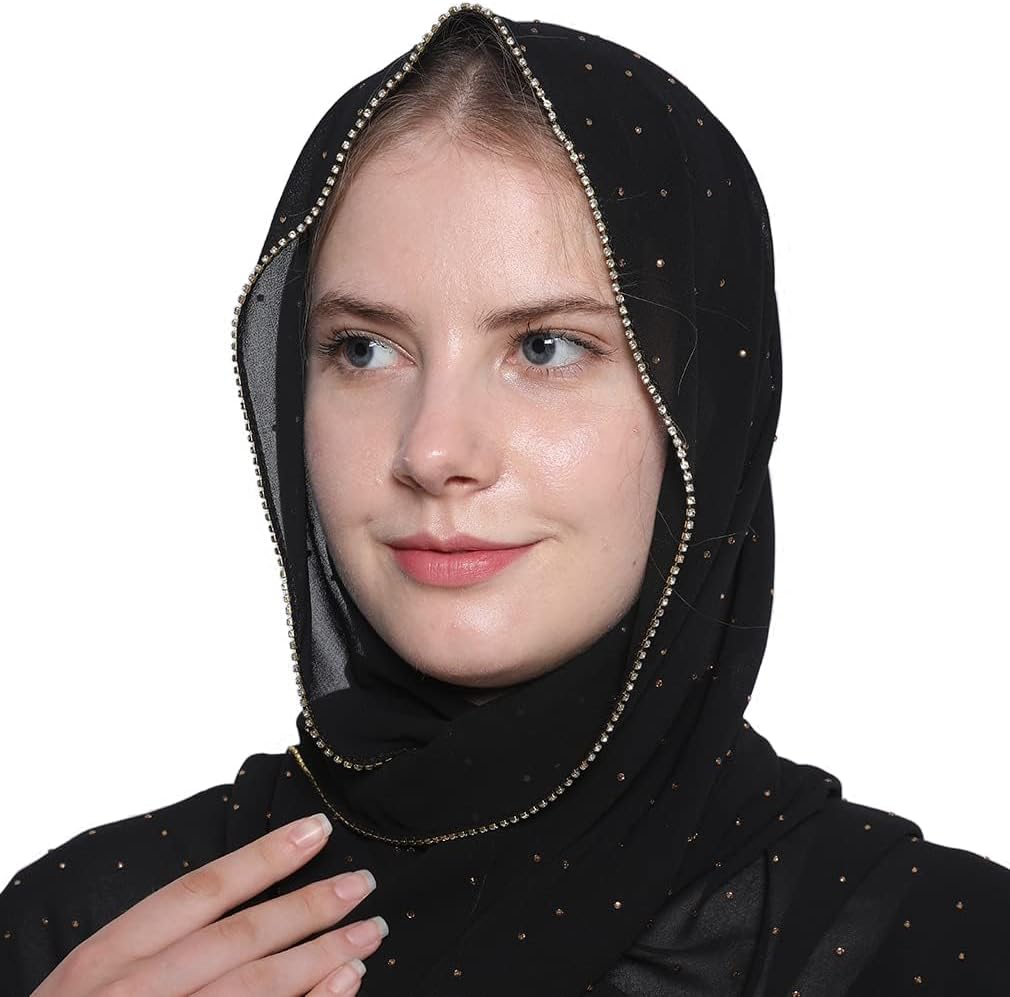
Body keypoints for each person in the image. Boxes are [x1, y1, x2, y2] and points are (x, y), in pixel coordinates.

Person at [2, 5, 1008, 996]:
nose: (433, 450)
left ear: (706, 409)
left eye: (545, 347)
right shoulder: (89, 934)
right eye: (364, 349)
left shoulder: (942, 950)